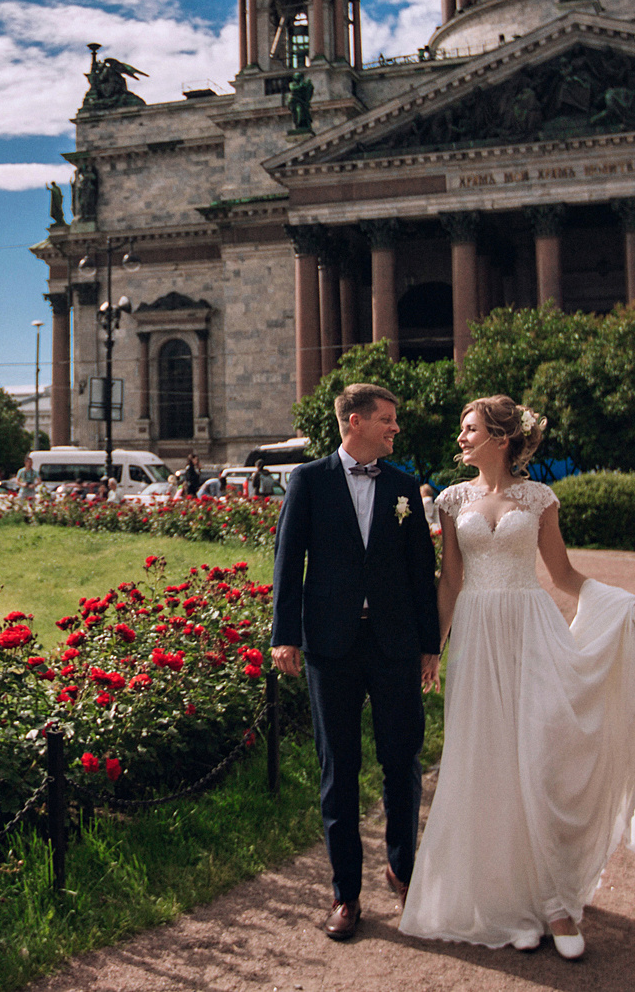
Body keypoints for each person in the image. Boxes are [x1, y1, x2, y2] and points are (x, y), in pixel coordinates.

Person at [399, 396, 635, 959]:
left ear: (500, 437)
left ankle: (556, 903)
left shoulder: (539, 499)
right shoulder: (452, 500)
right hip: (477, 638)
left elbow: (563, 575)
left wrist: (628, 604)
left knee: (540, 758)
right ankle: (507, 905)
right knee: (486, 763)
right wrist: (432, 648)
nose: (460, 438)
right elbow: (450, 582)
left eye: (470, 429)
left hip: (531, 631)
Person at [269, 383, 441, 942]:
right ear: (355, 422)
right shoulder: (309, 480)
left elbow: (420, 569)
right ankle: (346, 894)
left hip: (394, 645)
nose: (395, 428)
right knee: (338, 769)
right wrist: (284, 636)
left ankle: (403, 871)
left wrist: (430, 644)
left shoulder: (403, 486)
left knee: (402, 761)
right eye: (387, 419)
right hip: (330, 646)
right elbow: (288, 559)